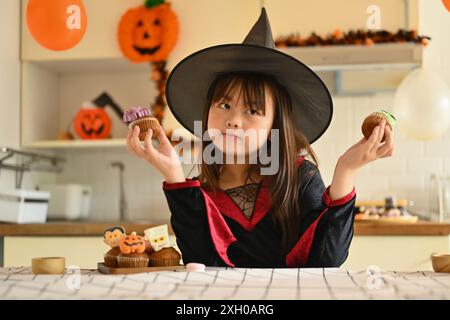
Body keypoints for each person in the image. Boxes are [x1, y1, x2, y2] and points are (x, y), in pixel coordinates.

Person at [126, 8, 394, 268]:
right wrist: (174, 175)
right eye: (224, 105)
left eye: (252, 110)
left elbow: (326, 260)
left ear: (274, 125)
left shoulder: (300, 178)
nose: (233, 120)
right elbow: (200, 264)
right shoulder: (201, 194)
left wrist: (346, 170)